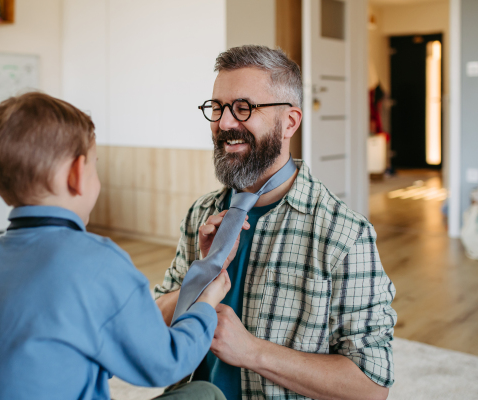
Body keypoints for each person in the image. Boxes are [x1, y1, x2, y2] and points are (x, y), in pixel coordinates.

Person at [0, 92, 240, 400]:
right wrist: (206, 302)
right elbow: (167, 362)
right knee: (204, 394)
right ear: (78, 173)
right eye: (95, 165)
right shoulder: (99, 262)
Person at [155, 45, 397, 400]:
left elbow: (370, 387)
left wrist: (253, 352)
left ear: (290, 122)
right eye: (217, 108)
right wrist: (202, 274)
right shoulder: (200, 214)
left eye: (243, 108)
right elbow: (150, 322)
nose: (223, 123)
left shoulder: (344, 235)